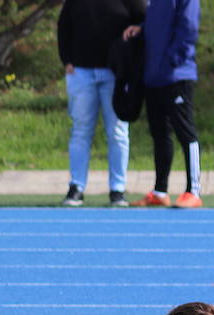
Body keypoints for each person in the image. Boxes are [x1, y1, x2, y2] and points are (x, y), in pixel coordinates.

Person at [56, 0, 143, 207]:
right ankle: (76, 187)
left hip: (115, 73)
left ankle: (117, 190)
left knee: (118, 132)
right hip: (81, 72)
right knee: (80, 131)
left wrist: (132, 56)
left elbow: (144, 22)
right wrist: (66, 59)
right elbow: (64, 25)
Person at [124, 0, 203, 208]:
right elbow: (158, 25)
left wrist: (172, 61)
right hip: (153, 77)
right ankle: (160, 191)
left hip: (176, 76)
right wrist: (140, 29)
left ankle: (193, 191)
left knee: (186, 133)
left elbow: (189, 28)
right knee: (159, 134)